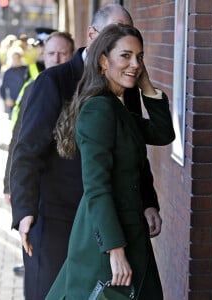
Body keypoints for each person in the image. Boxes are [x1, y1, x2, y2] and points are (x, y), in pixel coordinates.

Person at [10, 4, 161, 300]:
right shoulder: (52, 81)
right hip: (57, 219)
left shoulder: (124, 83)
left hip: (106, 221)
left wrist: (148, 201)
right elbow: (27, 150)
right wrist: (24, 209)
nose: (121, 42)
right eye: (113, 33)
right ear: (92, 35)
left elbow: (133, 150)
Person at [46, 23, 175, 300]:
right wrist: (115, 251)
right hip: (108, 238)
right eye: (125, 56)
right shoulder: (99, 108)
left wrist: (145, 84)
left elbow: (163, 133)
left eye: (139, 57)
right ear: (103, 60)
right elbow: (96, 186)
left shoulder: (116, 106)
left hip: (130, 231)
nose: (135, 64)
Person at [4, 31, 75, 279]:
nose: (56, 58)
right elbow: (19, 140)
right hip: (42, 192)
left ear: (72, 55)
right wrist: (9, 184)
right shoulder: (36, 86)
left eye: (62, 53)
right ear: (43, 54)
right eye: (52, 53)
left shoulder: (81, 88)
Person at [0, 46, 27, 118]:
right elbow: (2, 88)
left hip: (26, 101)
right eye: (14, 58)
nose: (16, 60)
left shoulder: (26, 70)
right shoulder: (7, 72)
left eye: (18, 58)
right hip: (13, 103)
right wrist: (6, 99)